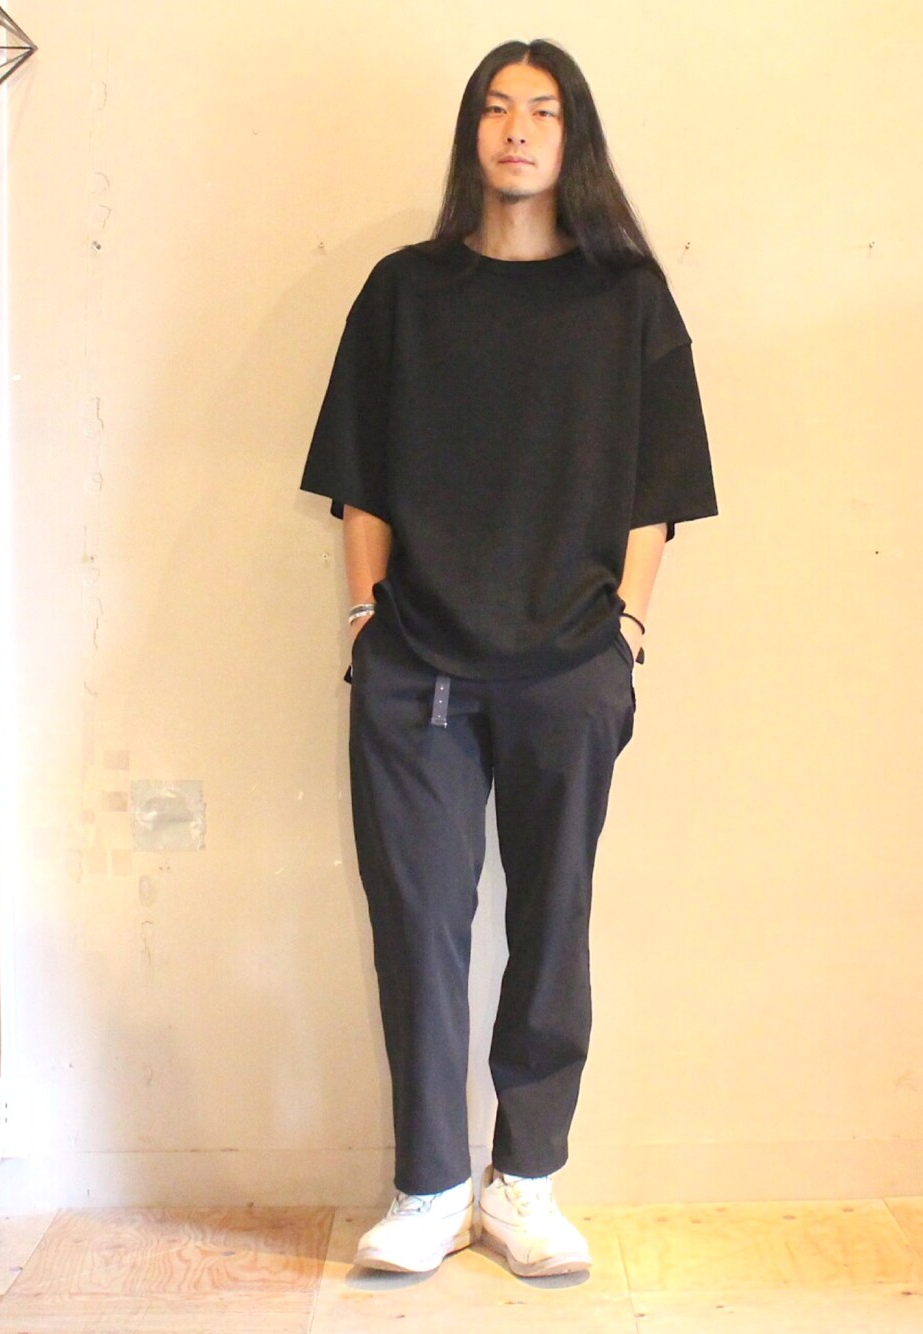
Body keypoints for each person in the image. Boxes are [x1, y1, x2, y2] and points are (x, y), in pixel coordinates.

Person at [300, 37, 717, 1278]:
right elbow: (359, 478)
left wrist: (624, 630)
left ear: (572, 135)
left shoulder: (627, 299)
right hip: (415, 663)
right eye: (496, 108)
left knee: (552, 916)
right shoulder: (403, 293)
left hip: (569, 662)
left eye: (541, 110)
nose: (517, 129)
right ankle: (430, 1184)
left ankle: (524, 1179)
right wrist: (365, 621)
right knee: (418, 920)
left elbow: (657, 489)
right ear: (470, 133)